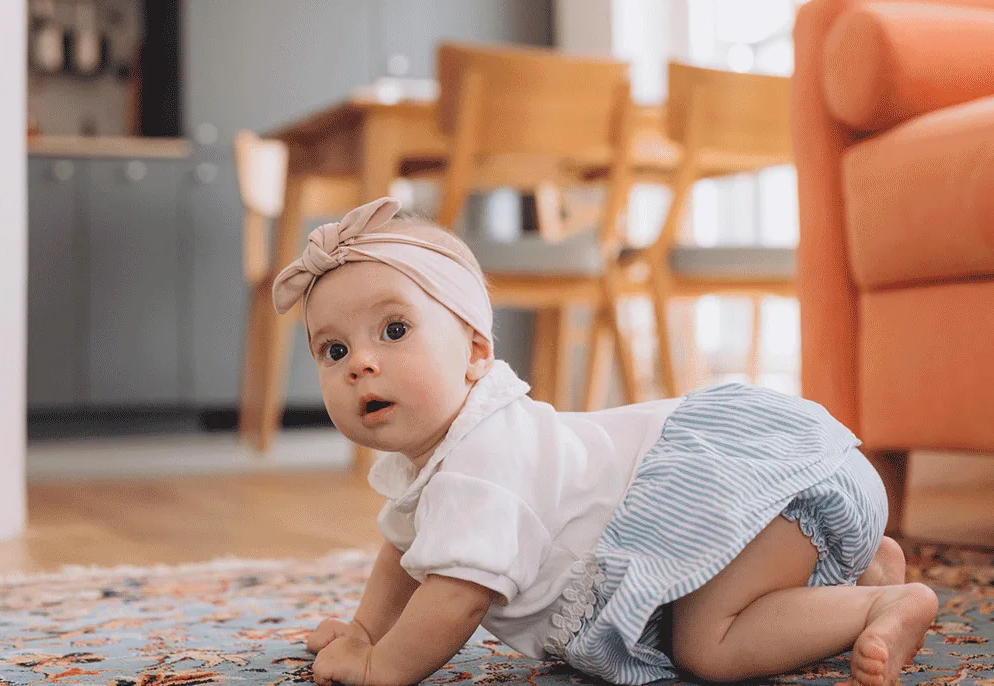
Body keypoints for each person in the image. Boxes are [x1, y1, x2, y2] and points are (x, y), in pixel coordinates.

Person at [272, 197, 938, 686]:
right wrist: (363, 629)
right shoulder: (434, 457)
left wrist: (381, 666)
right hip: (792, 493)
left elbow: (456, 595)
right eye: (334, 349)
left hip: (764, 488)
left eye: (393, 331)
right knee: (710, 611)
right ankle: (854, 571)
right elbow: (403, 551)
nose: (360, 363)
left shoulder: (483, 459)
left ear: (475, 351)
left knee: (708, 645)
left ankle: (885, 602)